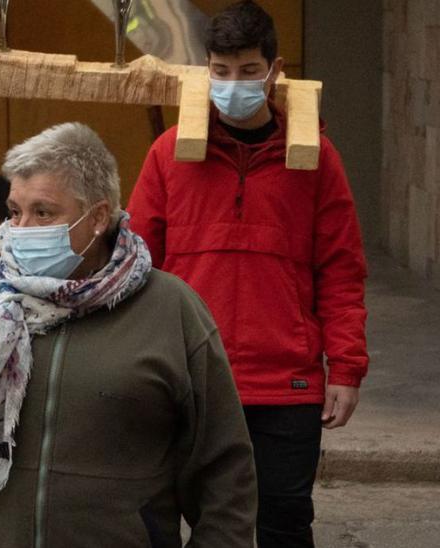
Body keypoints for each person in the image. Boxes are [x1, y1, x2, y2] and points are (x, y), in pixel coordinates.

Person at [0, 123, 257, 547]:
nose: (21, 228)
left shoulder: (171, 310)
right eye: (14, 211)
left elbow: (223, 467)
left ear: (97, 218)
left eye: (43, 212)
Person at [127, 3, 368, 546]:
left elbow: (341, 270)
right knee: (186, 522)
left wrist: (347, 367)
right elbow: (136, 266)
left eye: (247, 70)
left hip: (287, 384)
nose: (233, 83)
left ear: (274, 70)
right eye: (221, 71)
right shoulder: (168, 155)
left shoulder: (315, 160)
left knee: (284, 520)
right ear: (205, 69)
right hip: (192, 378)